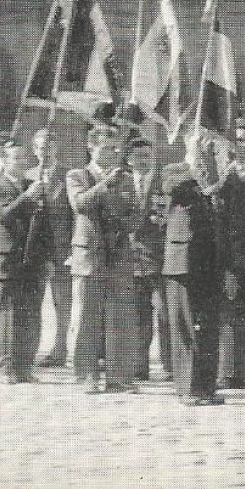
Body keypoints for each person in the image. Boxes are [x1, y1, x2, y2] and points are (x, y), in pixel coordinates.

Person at [67, 118, 143, 394]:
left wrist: (128, 219)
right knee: (87, 317)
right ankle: (87, 374)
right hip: (89, 255)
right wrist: (105, 185)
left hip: (118, 253)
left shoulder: (125, 179)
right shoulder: (77, 175)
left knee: (119, 318)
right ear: (91, 148)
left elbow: (135, 215)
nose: (111, 154)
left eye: (114, 149)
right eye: (105, 149)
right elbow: (80, 204)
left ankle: (119, 376)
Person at [159, 132, 224, 406]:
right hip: (182, 259)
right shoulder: (175, 171)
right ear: (189, 144)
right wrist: (194, 168)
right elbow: (171, 188)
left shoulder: (214, 174)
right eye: (201, 143)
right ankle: (187, 387)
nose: (206, 148)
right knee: (185, 324)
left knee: (209, 325)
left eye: (210, 144)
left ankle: (206, 386)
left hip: (210, 259)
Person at [0, 133, 48, 383]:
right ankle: (8, 368)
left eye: (23, 158)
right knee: (9, 314)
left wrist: (46, 256)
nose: (20, 162)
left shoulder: (34, 187)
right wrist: (27, 197)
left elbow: (44, 225)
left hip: (32, 261)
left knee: (31, 315)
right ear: (5, 162)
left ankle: (26, 367)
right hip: (7, 258)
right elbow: (2, 217)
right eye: (15, 158)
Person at [211, 119, 245, 390]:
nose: (241, 145)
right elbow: (221, 220)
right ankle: (226, 372)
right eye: (237, 140)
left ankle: (243, 371)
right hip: (230, 254)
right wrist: (226, 264)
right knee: (229, 313)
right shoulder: (223, 175)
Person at [129, 135, 172, 382]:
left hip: (159, 258)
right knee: (138, 315)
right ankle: (139, 365)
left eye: (147, 155)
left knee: (164, 314)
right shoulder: (122, 182)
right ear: (129, 159)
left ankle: (169, 365)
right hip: (132, 259)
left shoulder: (162, 182)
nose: (143, 161)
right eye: (138, 156)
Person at [30, 128, 74, 368]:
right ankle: (30, 349)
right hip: (32, 249)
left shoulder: (68, 176)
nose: (44, 151)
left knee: (61, 301)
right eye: (39, 147)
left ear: (56, 147)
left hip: (60, 248)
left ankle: (60, 347)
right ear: (34, 150)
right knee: (32, 301)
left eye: (48, 146)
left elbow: (74, 214)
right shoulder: (27, 176)